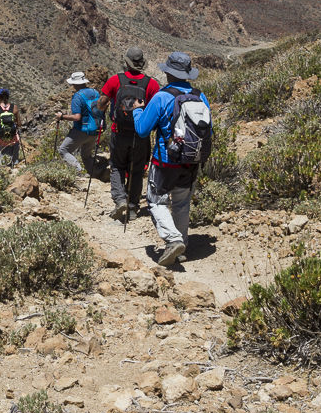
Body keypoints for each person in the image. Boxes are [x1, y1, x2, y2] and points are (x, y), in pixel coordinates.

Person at [133, 51, 212, 267]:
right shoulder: (200, 96)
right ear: (187, 74)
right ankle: (181, 248)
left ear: (168, 73)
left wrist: (137, 111)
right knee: (181, 203)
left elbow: (141, 130)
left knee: (156, 200)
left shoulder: (161, 97)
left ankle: (173, 239)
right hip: (191, 159)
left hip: (165, 160)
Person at [96, 47, 160, 221]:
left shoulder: (116, 80)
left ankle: (119, 199)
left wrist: (101, 108)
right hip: (140, 134)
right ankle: (132, 207)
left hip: (119, 132)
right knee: (136, 170)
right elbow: (156, 108)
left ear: (126, 63)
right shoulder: (151, 84)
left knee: (117, 166)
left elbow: (102, 103)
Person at [55, 72, 103, 176]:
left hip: (81, 130)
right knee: (86, 155)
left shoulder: (77, 96)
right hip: (95, 129)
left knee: (63, 150)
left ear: (75, 84)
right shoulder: (95, 92)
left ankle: (78, 171)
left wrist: (62, 116)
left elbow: (77, 117)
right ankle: (96, 174)